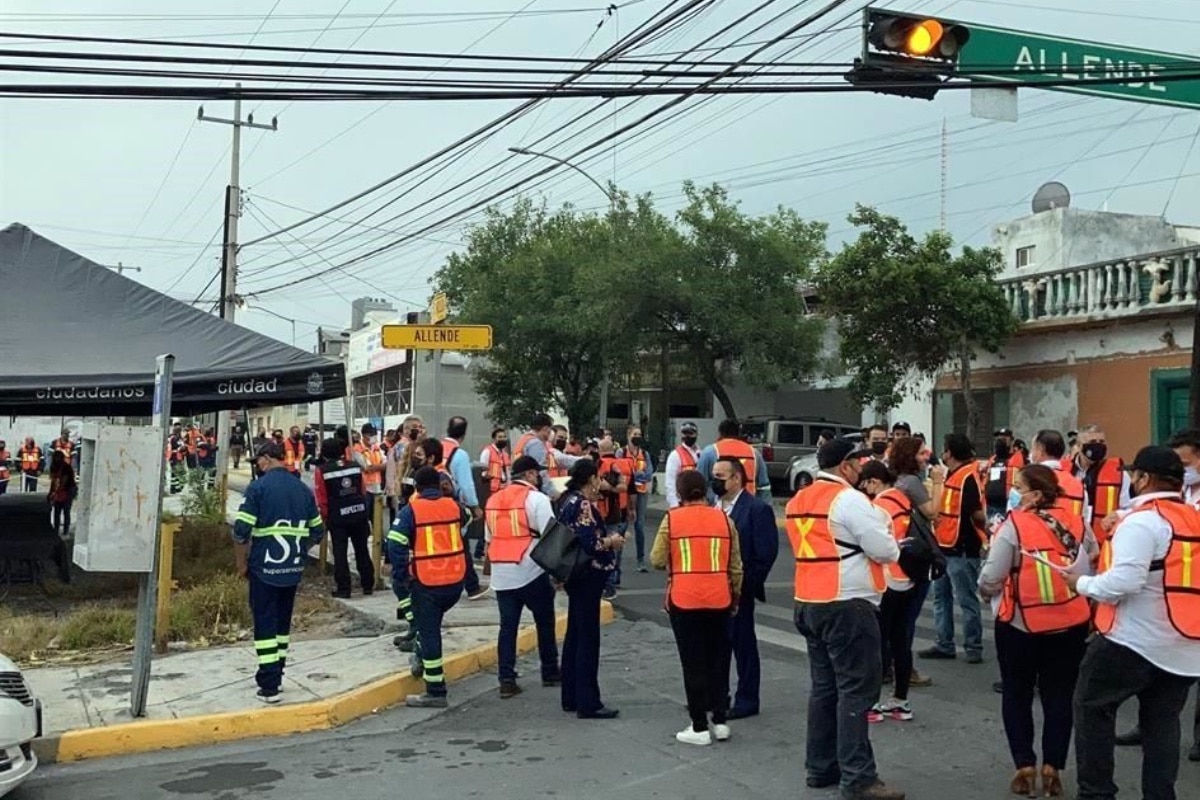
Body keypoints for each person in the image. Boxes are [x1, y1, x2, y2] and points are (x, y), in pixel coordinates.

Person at [1067, 446, 1200, 799]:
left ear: (1142, 478)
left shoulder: (1143, 522)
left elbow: (1123, 583)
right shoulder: (1191, 517)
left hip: (1133, 639)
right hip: (1185, 644)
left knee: (1091, 707)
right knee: (1162, 724)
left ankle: (1096, 792)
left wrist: (1081, 584)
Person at [788, 437, 904, 800]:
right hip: (847, 603)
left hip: (808, 598)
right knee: (856, 691)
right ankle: (858, 778)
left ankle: (820, 767)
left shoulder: (799, 499)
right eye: (859, 461)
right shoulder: (850, 499)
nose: (863, 467)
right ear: (845, 466)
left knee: (824, 689)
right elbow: (885, 549)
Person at [979, 465, 1094, 797]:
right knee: (1059, 695)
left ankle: (1024, 766)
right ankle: (1053, 767)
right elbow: (1093, 557)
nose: (1014, 492)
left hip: (1020, 624)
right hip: (1070, 623)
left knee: (1017, 694)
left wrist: (985, 591)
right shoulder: (1075, 521)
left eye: (1019, 487)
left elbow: (992, 577)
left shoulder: (1014, 526)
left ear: (1036, 493)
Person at [651, 469, 743, 746]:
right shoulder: (725, 521)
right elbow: (736, 566)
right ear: (706, 490)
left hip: (685, 599)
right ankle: (721, 720)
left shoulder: (672, 520)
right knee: (719, 660)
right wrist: (735, 598)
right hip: (720, 599)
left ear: (679, 493)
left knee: (693, 663)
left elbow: (656, 559)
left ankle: (699, 725)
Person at [231, 441, 325, 704]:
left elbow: (241, 531)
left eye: (258, 461)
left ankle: (269, 685)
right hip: (292, 568)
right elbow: (318, 530)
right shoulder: (302, 490)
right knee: (282, 624)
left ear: (267, 459)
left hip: (264, 568)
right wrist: (300, 549)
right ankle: (278, 672)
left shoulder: (258, 488)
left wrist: (242, 565)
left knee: (265, 622)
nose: (257, 467)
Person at [389, 465, 469, 708]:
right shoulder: (454, 506)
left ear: (417, 488)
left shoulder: (411, 510)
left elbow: (395, 543)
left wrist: (403, 575)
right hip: (455, 581)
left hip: (428, 582)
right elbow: (465, 518)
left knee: (430, 632)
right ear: (439, 484)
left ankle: (435, 690)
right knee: (429, 627)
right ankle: (422, 657)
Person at [485, 455, 560, 699]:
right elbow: (551, 534)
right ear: (528, 475)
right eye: (536, 474)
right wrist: (557, 573)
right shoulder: (537, 499)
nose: (538, 477)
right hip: (531, 571)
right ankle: (549, 672)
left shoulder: (493, 500)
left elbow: (489, 537)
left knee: (508, 627)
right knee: (545, 621)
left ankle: (506, 679)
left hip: (501, 573)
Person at [712, 456, 778, 721]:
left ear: (737, 478)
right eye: (713, 475)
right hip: (714, 590)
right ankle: (717, 697)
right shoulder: (714, 506)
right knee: (716, 647)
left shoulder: (756, 509)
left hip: (740, 589)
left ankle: (747, 699)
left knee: (743, 645)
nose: (715, 480)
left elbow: (765, 553)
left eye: (720, 476)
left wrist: (745, 587)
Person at [557, 458, 621, 720]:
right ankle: (588, 701)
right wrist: (611, 541)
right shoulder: (583, 505)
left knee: (574, 635)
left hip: (575, 576)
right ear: (591, 479)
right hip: (588, 576)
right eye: (598, 477)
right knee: (587, 639)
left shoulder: (567, 500)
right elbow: (590, 543)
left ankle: (571, 695)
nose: (601, 483)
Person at [858, 461, 919, 724]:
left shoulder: (878, 506)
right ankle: (900, 701)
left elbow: (874, 545)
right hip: (908, 577)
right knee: (901, 640)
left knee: (876, 641)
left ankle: (871, 704)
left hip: (886, 578)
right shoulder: (903, 499)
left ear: (874, 481)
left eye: (866, 483)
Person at [920, 433, 987, 664]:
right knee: (941, 597)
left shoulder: (967, 476)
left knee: (966, 599)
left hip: (962, 548)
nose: (942, 453)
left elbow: (974, 512)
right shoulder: (954, 475)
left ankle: (973, 647)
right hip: (945, 546)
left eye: (945, 449)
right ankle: (945, 643)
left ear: (950, 452)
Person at [887, 436, 938, 688]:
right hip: (914, 554)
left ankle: (889, 665)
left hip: (897, 553)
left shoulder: (896, 481)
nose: (926, 456)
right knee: (907, 618)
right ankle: (903, 668)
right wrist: (939, 482)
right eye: (920, 453)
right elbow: (932, 511)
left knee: (896, 618)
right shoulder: (912, 482)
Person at [313, 438, 375, 599]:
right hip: (359, 513)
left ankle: (344, 588)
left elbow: (322, 498)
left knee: (340, 553)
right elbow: (362, 490)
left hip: (338, 517)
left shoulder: (322, 470)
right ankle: (368, 584)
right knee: (362, 549)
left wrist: (325, 517)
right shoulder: (354, 466)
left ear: (324, 454)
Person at [1072, 424, 1132, 543]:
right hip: (1072, 538)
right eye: (1093, 441)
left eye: (1101, 442)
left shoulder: (1119, 475)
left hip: (1104, 538)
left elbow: (1128, 508)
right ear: (1079, 446)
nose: (1098, 445)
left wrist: (1118, 515)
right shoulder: (1064, 471)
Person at [596, 437, 634, 600]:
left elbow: (622, 486)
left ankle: (608, 584)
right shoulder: (615, 465)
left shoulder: (608, 465)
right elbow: (625, 487)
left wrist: (608, 488)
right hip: (612, 513)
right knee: (612, 547)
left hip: (605, 513)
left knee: (603, 546)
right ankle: (610, 582)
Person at [696, 419, 770, 498]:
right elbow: (764, 487)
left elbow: (699, 483)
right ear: (739, 433)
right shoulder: (754, 453)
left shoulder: (709, 452)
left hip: (719, 506)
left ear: (720, 433)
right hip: (749, 504)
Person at [618, 426, 656, 573]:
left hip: (641, 492)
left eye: (639, 434)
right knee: (622, 525)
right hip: (625, 492)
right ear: (628, 436)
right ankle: (618, 561)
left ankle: (640, 560)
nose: (637, 437)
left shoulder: (644, 454)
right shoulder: (621, 452)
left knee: (639, 525)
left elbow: (649, 472)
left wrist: (635, 475)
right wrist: (635, 474)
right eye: (635, 434)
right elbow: (618, 470)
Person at [514, 413, 560, 495]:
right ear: (545, 428)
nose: (551, 433)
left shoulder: (524, 440)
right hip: (532, 488)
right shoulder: (536, 444)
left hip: (519, 485)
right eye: (550, 429)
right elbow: (541, 471)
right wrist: (552, 493)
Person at [664, 421, 701, 509]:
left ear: (696, 435)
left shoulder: (701, 454)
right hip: (681, 502)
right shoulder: (675, 455)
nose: (687, 436)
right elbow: (670, 482)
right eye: (685, 433)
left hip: (698, 502)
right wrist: (674, 504)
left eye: (690, 433)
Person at [47, 450, 77, 539]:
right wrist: (51, 492)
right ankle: (56, 530)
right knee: (57, 511)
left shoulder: (67, 467)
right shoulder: (53, 467)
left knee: (66, 511)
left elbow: (65, 481)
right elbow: (53, 481)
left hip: (68, 490)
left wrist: (56, 492)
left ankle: (66, 530)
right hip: (59, 490)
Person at [479, 426, 511, 496]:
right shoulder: (487, 451)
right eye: (500, 437)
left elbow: (508, 474)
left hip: (504, 489)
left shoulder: (505, 454)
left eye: (504, 437)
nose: (502, 439)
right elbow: (482, 472)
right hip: (492, 491)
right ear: (494, 439)